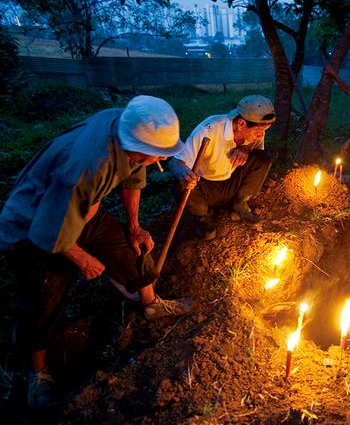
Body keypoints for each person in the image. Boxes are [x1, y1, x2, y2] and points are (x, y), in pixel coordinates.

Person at [0, 95, 193, 410]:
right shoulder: (86, 168)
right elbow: (50, 231)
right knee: (44, 297)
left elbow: (132, 176)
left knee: (128, 251)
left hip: (82, 210)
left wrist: (133, 226)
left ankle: (151, 304)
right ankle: (36, 373)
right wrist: (82, 258)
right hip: (33, 224)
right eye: (154, 157)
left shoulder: (126, 123)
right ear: (137, 148)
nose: (157, 162)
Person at [168, 95, 275, 239]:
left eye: (265, 130)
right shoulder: (208, 130)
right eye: (259, 131)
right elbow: (175, 162)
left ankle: (240, 202)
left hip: (231, 184)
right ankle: (203, 218)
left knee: (262, 159)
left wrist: (246, 150)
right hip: (205, 188)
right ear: (242, 124)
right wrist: (185, 174)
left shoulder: (254, 131)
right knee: (180, 184)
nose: (261, 135)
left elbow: (258, 156)